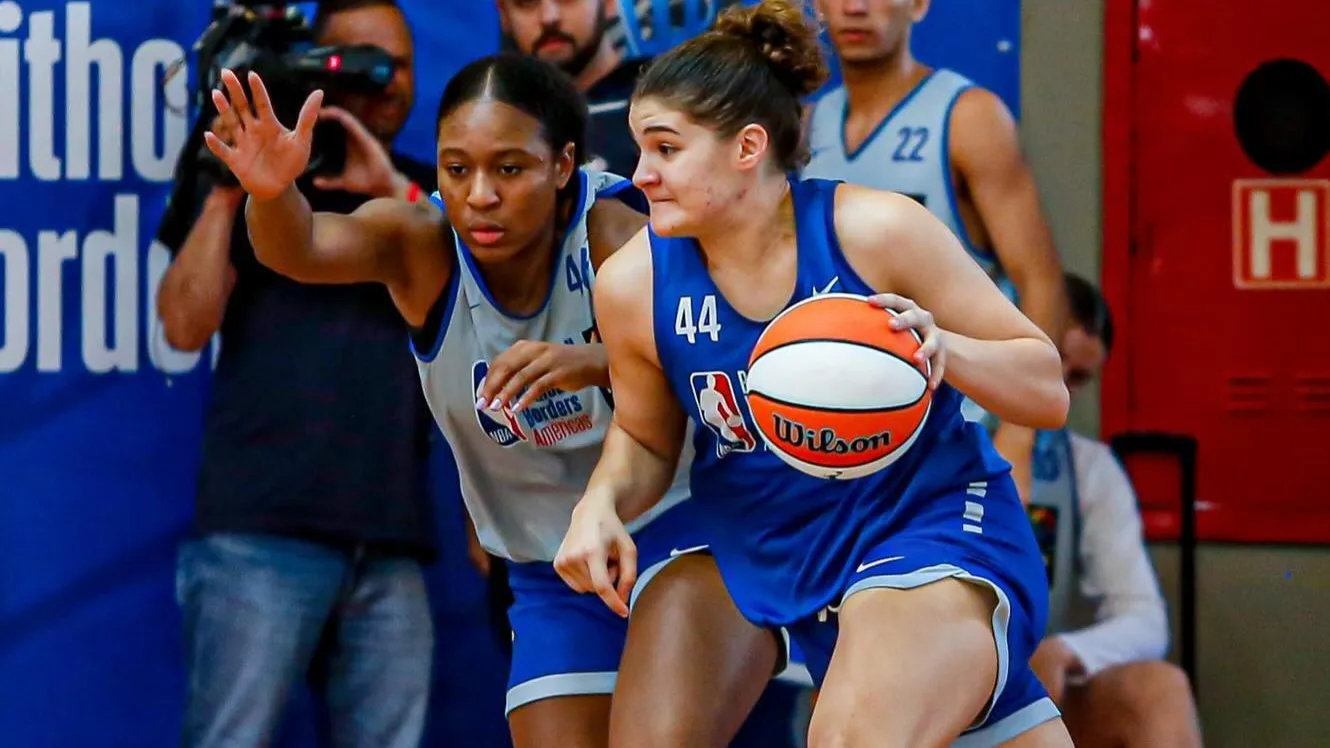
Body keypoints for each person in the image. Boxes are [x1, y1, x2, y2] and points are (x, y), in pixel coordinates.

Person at [203, 51, 780, 748]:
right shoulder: (421, 244)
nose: (479, 195)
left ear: (563, 166)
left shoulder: (615, 237)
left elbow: (716, 362)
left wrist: (598, 361)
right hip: (548, 570)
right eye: (456, 168)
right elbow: (303, 248)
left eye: (509, 168)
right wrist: (272, 195)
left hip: (684, 533)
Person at [555, 2, 1075, 746]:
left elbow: (1047, 386)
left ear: (748, 147)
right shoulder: (632, 284)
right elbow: (643, 439)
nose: (642, 176)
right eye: (641, 149)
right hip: (756, 540)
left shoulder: (876, 230)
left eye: (666, 149)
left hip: (917, 526)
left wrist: (946, 351)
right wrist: (601, 501)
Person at [157, 1, 438, 746]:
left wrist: (393, 194)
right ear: (313, 70)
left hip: (392, 539)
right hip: (259, 531)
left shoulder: (427, 198)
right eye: (363, 62)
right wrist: (231, 181)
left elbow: (493, 308)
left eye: (402, 64)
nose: (387, 81)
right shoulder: (258, 192)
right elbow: (183, 325)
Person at [802, 0, 1070, 502]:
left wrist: (1019, 432)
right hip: (844, 424)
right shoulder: (806, 126)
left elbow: (1039, 277)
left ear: (920, 6)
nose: (855, 8)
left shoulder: (969, 118)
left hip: (963, 426)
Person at [1026, 274, 1204, 748]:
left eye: (1078, 377)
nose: (1059, 386)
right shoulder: (925, 440)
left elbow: (1145, 618)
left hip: (1028, 690)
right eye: (1050, 359)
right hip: (925, 687)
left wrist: (1066, 652)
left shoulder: (1089, 469)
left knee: (1160, 692)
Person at [499, 0, 647, 176]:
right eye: (527, 3)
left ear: (608, 3)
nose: (549, 17)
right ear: (504, 15)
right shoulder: (494, 121)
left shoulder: (666, 100)